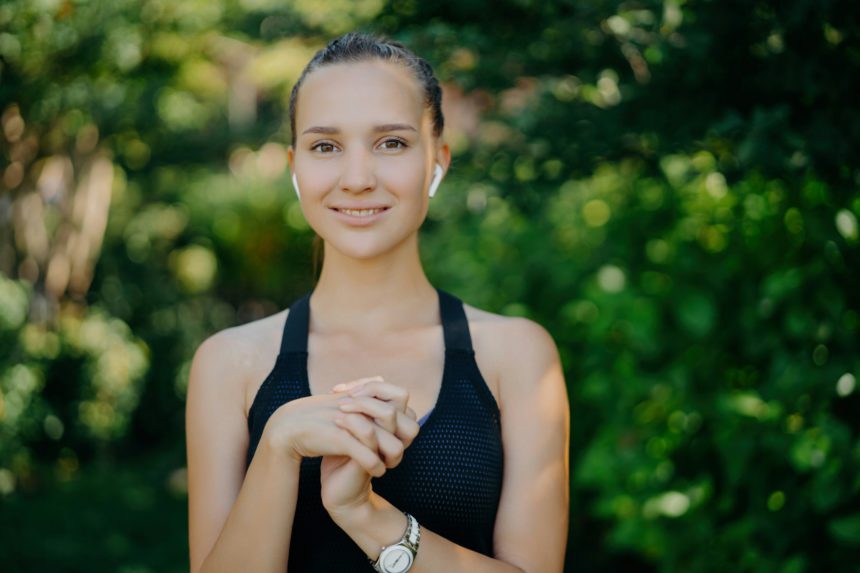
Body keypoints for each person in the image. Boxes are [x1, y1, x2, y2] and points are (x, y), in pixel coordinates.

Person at [185, 31, 570, 573]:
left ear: (437, 161)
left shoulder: (516, 355)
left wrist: (367, 517)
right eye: (326, 147)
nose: (358, 179)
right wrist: (277, 448)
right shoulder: (230, 364)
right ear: (295, 167)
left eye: (392, 143)